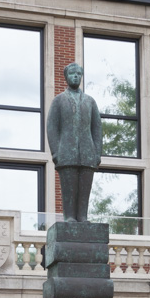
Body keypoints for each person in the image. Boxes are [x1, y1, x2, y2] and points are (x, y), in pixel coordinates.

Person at [46, 62, 102, 223]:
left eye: (78, 73)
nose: (76, 76)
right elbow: (51, 127)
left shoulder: (90, 101)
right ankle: (69, 216)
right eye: (72, 73)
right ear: (66, 77)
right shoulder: (59, 100)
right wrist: (56, 152)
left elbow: (97, 128)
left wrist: (97, 152)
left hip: (87, 153)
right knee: (69, 188)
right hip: (66, 153)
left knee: (85, 189)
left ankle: (82, 216)